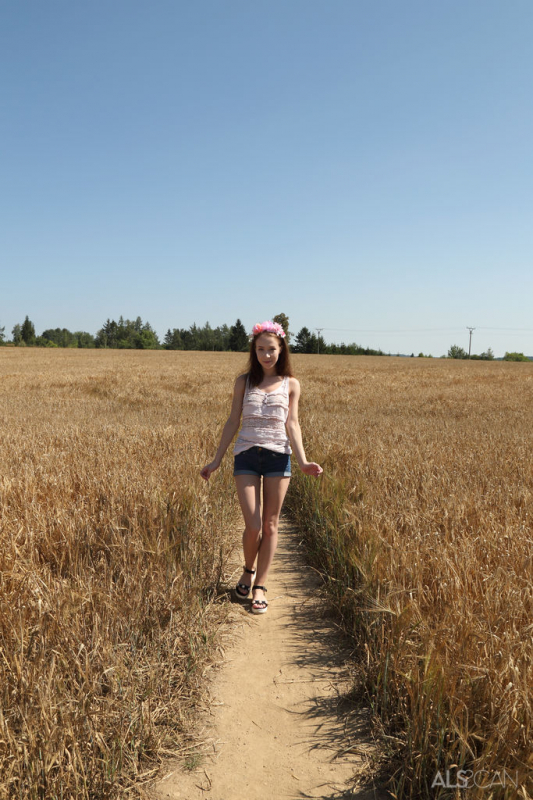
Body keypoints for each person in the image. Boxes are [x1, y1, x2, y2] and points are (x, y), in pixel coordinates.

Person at [200, 320, 323, 614]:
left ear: (281, 350)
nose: (266, 355)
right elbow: (233, 421)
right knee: (253, 525)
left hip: (278, 456)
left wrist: (303, 461)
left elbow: (292, 423)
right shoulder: (244, 381)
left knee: (270, 525)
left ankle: (260, 585)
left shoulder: (291, 384)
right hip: (245, 454)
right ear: (253, 351)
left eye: (271, 349)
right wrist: (216, 460)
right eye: (260, 349)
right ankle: (248, 568)